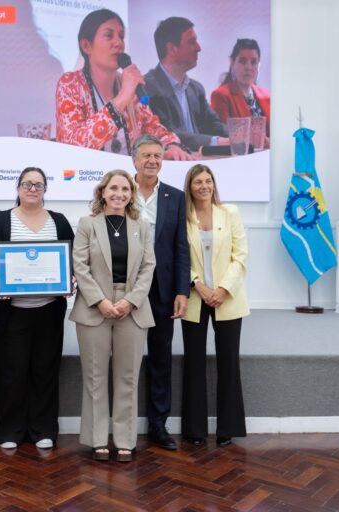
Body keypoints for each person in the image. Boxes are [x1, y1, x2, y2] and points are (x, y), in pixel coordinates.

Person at [70, 170, 155, 462]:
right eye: (113, 188)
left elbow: (148, 267)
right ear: (102, 192)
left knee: (127, 377)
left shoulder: (141, 226)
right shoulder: (87, 224)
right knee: (95, 378)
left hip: (132, 309)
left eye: (125, 189)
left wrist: (130, 301)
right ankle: (97, 440)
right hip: (94, 307)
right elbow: (80, 266)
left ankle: (125, 440)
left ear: (131, 195)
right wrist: (101, 301)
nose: (119, 194)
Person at [0, 167, 74, 451]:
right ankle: (9, 429)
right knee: (11, 372)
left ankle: (43, 428)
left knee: (45, 370)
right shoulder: (1, 220)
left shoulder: (58, 221)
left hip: (49, 310)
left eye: (38, 184)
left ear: (46, 189)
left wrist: (70, 278)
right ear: (18, 188)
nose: (33, 189)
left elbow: (72, 258)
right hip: (11, 312)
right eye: (27, 184)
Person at [55, 8, 192, 160]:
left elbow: (156, 130)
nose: (119, 43)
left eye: (121, 36)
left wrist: (171, 146)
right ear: (86, 46)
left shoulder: (129, 86)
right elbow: (72, 147)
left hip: (128, 174)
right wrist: (121, 99)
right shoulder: (70, 84)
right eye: (109, 35)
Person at [181, 164, 249, 447]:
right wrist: (198, 285)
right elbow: (178, 256)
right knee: (194, 363)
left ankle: (227, 428)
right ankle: (195, 430)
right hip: (195, 297)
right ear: (190, 186)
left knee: (229, 362)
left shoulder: (230, 212)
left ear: (214, 184)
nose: (204, 186)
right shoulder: (182, 216)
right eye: (198, 182)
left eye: (208, 181)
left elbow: (240, 256)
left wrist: (222, 289)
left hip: (227, 298)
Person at [131, 135, 190, 451]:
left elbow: (181, 246)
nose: (152, 160)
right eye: (146, 155)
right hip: (125, 288)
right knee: (125, 357)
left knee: (160, 356)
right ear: (134, 160)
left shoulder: (175, 197)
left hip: (162, 288)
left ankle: (158, 424)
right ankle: (123, 425)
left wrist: (182, 290)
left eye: (157, 155)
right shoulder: (120, 191)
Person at [144, 17, 228, 152]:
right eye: (191, 42)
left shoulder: (196, 89)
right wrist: (217, 141)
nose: (199, 48)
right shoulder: (147, 87)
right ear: (172, 49)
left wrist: (243, 136)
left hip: (199, 160)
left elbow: (214, 125)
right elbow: (168, 133)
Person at [210, 38, 271, 136]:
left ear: (259, 65)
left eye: (253, 62)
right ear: (232, 62)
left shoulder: (266, 96)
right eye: (242, 61)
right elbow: (225, 136)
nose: (248, 67)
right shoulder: (220, 96)